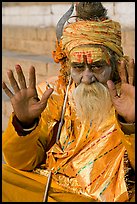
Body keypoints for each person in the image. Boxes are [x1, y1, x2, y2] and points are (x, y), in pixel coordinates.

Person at [2, 2, 135, 202]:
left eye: (97, 67)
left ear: (114, 65)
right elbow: (22, 163)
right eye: (78, 67)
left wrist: (130, 123)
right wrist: (24, 125)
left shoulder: (129, 98)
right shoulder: (51, 94)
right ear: (67, 66)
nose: (87, 77)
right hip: (51, 189)